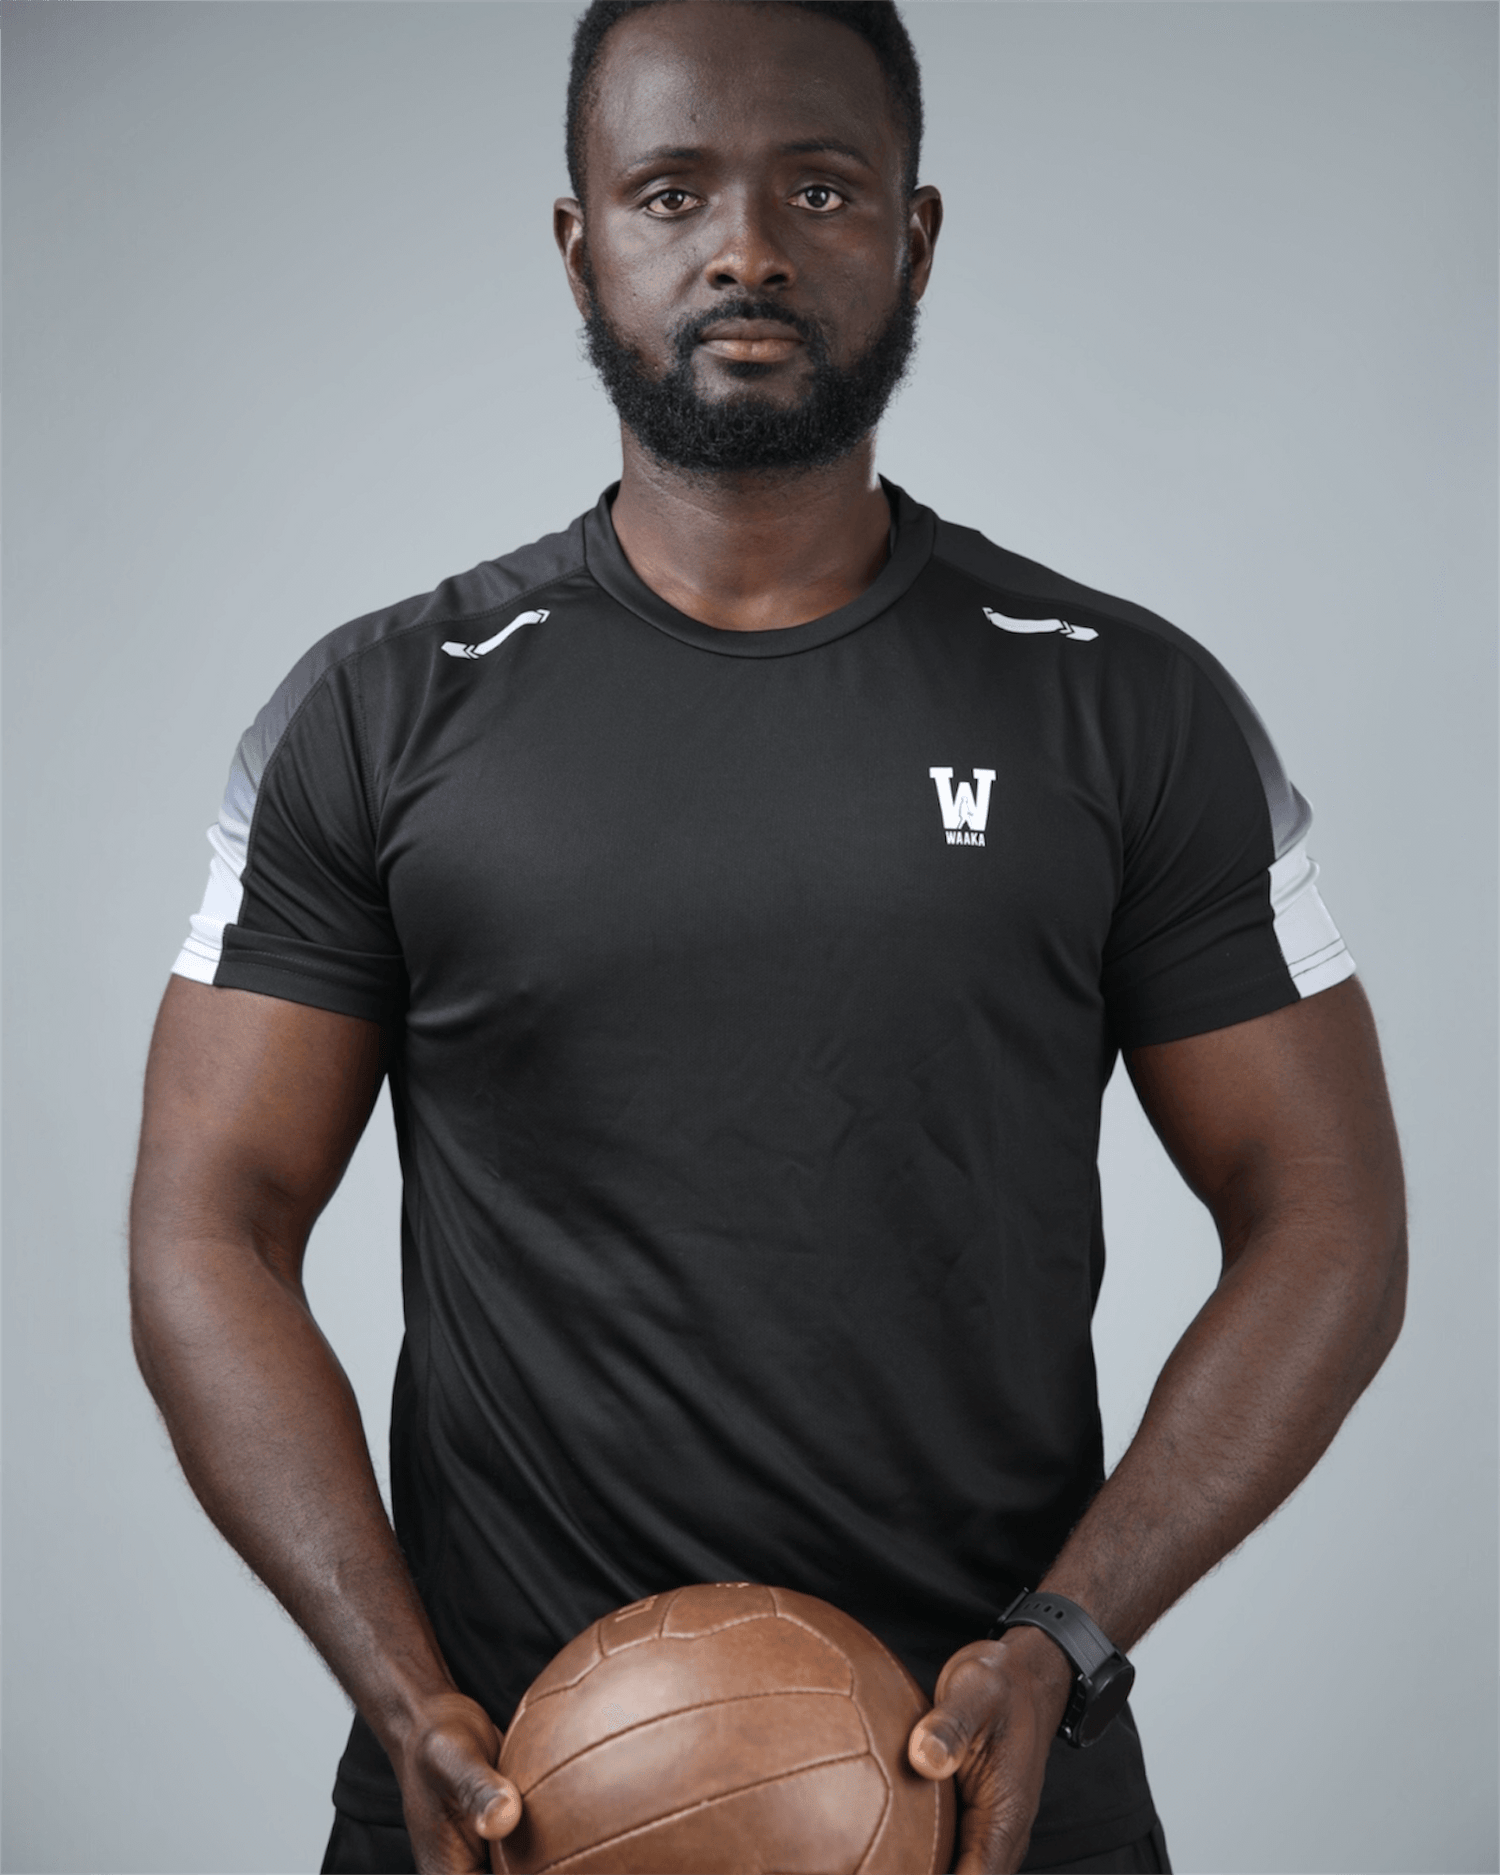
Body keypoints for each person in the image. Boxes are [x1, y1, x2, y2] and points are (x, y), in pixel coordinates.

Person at [128, 2, 1407, 1871]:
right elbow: (205, 1219)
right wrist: (404, 1692)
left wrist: (1069, 1637)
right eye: (671, 192)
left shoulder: (1124, 708)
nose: (744, 248)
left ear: (915, 231)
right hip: (497, 1796)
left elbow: (1332, 1218)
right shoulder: (383, 714)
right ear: (581, 240)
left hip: (993, 1792)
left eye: (819, 186)